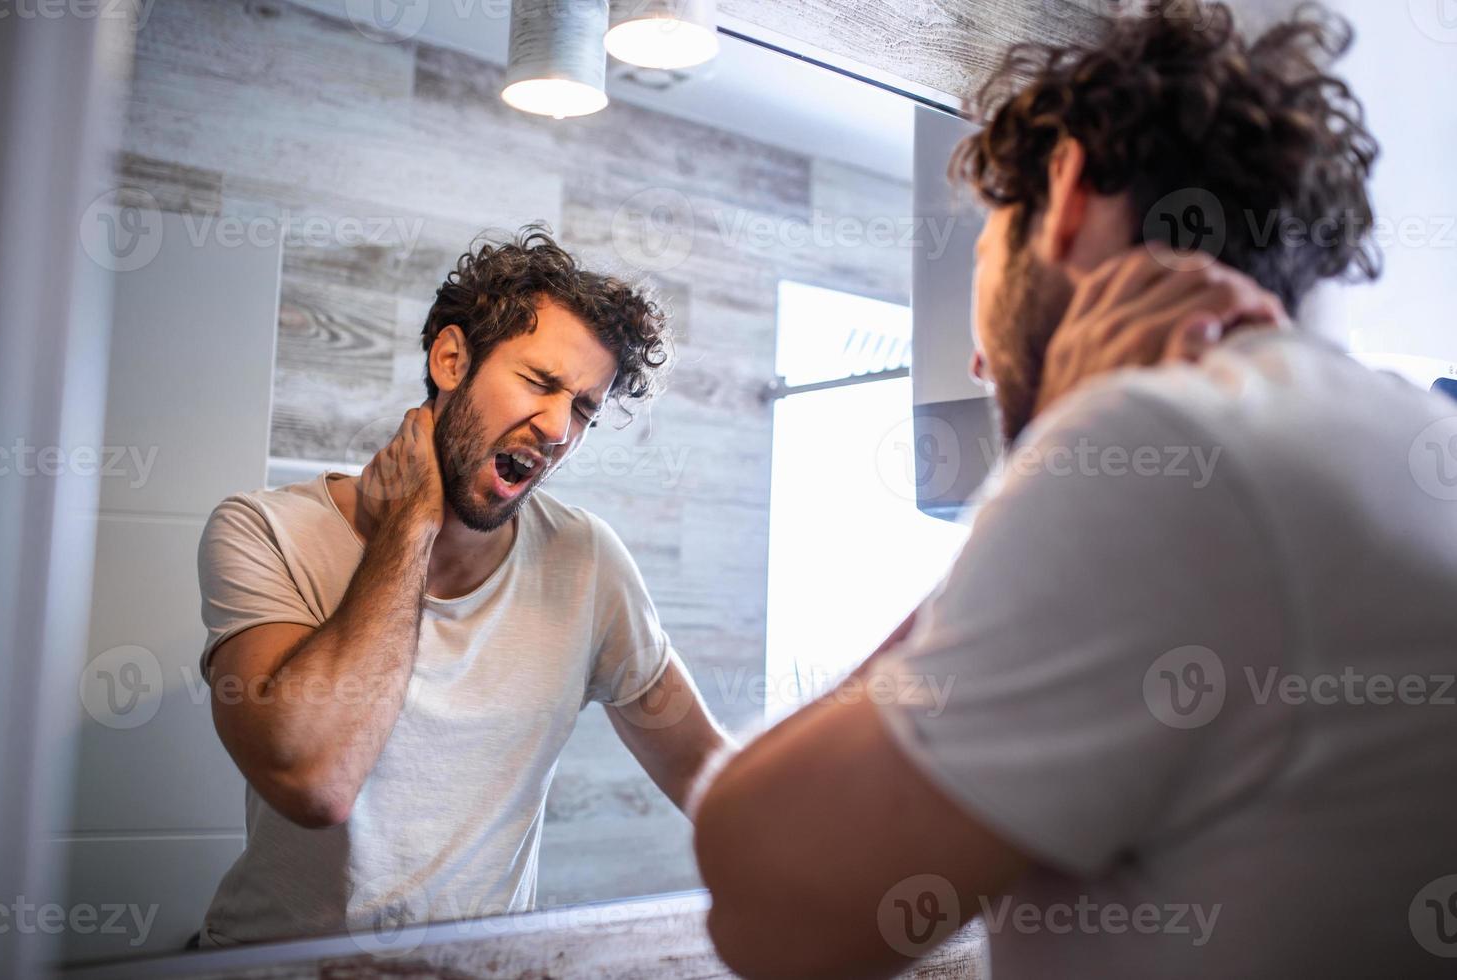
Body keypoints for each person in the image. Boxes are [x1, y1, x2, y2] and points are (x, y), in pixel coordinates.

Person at [692, 4, 1457, 978]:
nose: (976, 352)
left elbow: (764, 909)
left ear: (1067, 189)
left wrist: (1056, 449)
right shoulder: (1413, 429)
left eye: (983, 255)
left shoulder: (1158, 445)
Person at [195, 225, 728, 946]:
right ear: (451, 358)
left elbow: (711, 777)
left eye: (583, 410)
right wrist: (408, 530)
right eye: (540, 383)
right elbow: (314, 779)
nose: (558, 429)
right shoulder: (264, 531)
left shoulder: (587, 562)